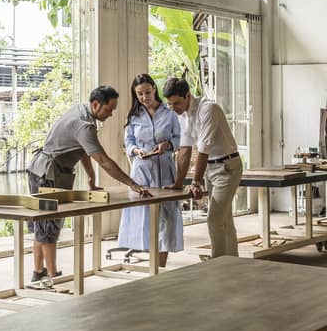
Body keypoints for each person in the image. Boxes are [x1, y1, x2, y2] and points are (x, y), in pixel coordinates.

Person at [26, 85, 151, 287]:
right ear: (96, 104)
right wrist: (132, 183)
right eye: (109, 109)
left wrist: (92, 178)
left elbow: (83, 151)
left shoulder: (80, 110)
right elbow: (104, 161)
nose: (111, 114)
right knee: (48, 225)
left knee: (43, 225)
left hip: (40, 169)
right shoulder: (85, 125)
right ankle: (52, 276)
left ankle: (38, 272)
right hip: (47, 173)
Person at [162, 77, 243, 259]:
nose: (173, 108)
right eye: (169, 104)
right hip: (212, 169)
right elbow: (185, 149)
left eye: (176, 103)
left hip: (227, 167)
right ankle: (232, 262)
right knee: (225, 219)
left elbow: (203, 150)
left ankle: (218, 263)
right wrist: (178, 183)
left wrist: (196, 182)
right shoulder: (182, 115)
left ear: (188, 95)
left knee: (214, 219)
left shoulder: (208, 109)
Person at [118, 74, 183, 267]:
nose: (144, 97)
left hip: (164, 168)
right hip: (142, 170)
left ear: (154, 88)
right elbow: (128, 142)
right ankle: (150, 262)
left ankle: (159, 264)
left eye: (147, 92)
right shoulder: (134, 115)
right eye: (139, 94)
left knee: (166, 216)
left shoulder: (170, 113)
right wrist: (135, 150)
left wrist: (168, 145)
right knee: (143, 216)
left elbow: (181, 139)